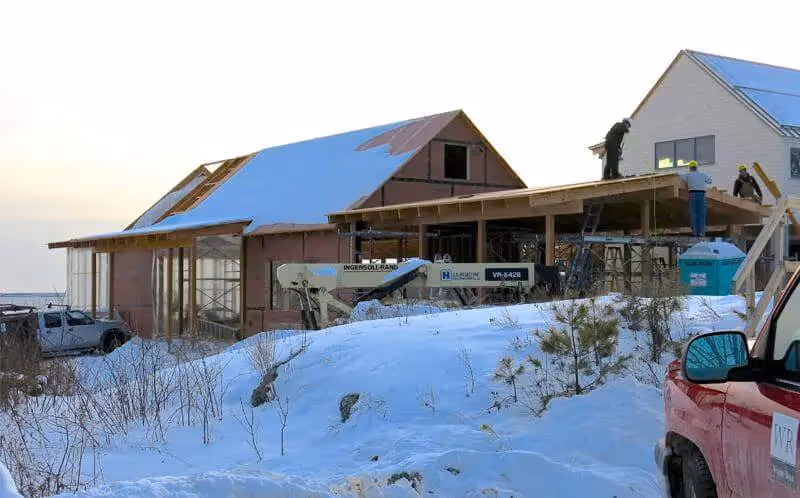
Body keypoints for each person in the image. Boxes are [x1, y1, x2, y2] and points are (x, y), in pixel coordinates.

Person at [679, 160, 712, 236]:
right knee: (702, 214)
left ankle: (694, 232)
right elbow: (710, 181)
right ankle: (701, 232)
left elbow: (679, 176)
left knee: (693, 213)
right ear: (697, 167)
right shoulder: (702, 174)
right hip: (702, 194)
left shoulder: (688, 175)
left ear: (690, 168)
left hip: (693, 194)